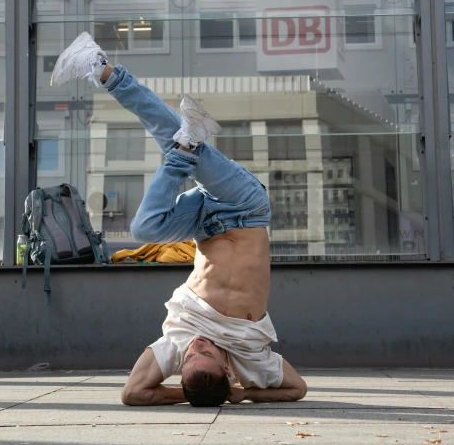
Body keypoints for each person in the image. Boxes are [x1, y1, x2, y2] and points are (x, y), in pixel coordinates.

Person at [51, 32, 308, 406]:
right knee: (170, 137)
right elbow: (297, 389)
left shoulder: (178, 340)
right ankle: (103, 71)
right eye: (205, 354)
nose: (197, 345)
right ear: (225, 370)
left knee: (143, 228)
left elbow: (133, 393)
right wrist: (241, 393)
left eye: (190, 356)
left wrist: (183, 394)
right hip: (245, 209)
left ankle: (183, 143)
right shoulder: (252, 357)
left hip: (203, 221)